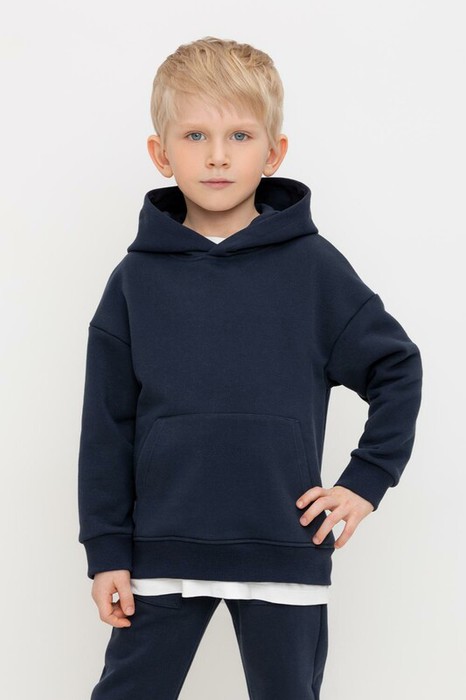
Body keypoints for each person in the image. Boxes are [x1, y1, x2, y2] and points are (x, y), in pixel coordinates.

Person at [77, 36, 423, 699]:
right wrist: (106, 551)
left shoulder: (315, 269)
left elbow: (396, 368)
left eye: (239, 135)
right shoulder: (134, 282)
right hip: (160, 551)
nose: (217, 155)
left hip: (282, 545)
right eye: (195, 135)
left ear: (273, 153)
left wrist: (367, 478)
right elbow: (106, 428)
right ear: (161, 154)